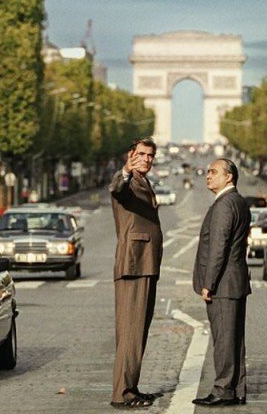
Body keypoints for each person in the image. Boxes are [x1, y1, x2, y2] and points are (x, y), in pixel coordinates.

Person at [108, 137, 164, 409]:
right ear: (130, 156)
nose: (146, 159)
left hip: (145, 263)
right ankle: (122, 393)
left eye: (150, 155)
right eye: (141, 154)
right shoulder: (127, 180)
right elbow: (118, 188)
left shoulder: (144, 181)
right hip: (134, 263)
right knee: (130, 331)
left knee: (137, 330)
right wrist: (126, 172)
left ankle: (131, 386)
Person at [192, 158, 251, 407]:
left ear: (229, 177)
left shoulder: (224, 205)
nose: (208, 176)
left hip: (223, 284)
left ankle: (223, 390)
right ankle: (236, 389)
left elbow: (218, 248)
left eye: (214, 172)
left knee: (224, 340)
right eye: (207, 172)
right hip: (234, 281)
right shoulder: (238, 201)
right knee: (234, 339)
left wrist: (209, 283)